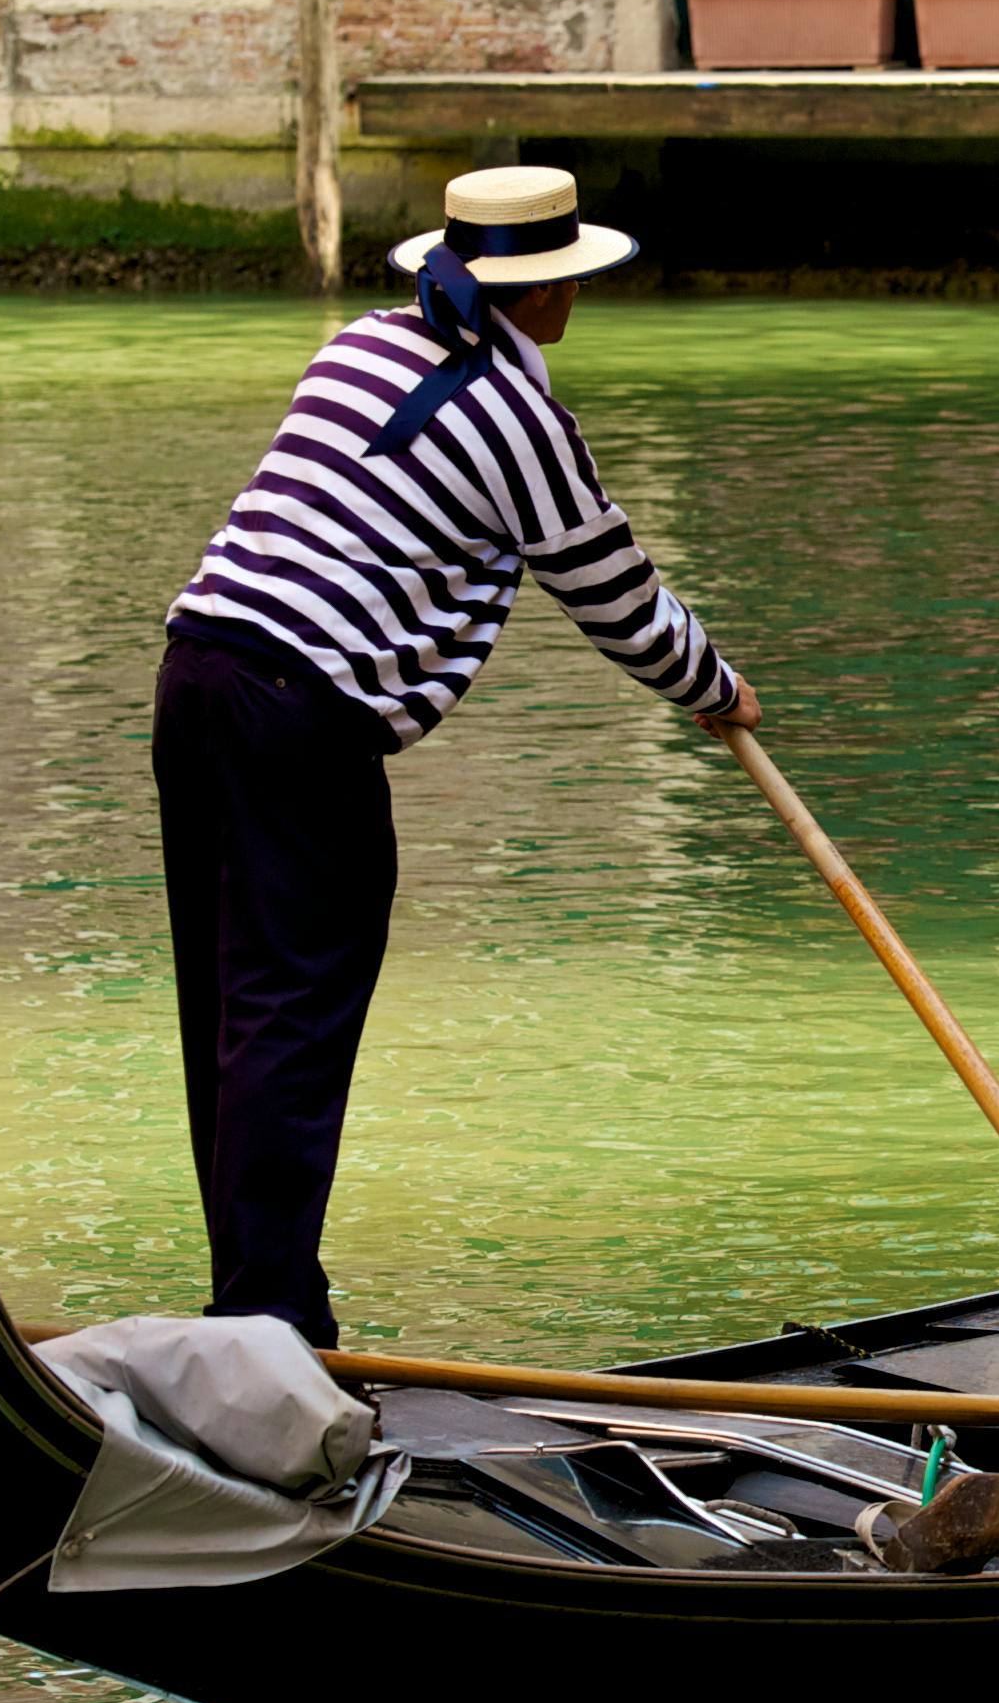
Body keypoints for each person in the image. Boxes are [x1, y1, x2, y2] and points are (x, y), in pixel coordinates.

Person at [155, 164, 760, 1350]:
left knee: (231, 1005)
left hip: (196, 675)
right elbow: (620, 602)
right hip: (302, 712)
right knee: (292, 1011)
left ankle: (265, 1307)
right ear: (555, 295)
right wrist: (719, 689)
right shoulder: (523, 426)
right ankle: (267, 1324)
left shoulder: (357, 345)